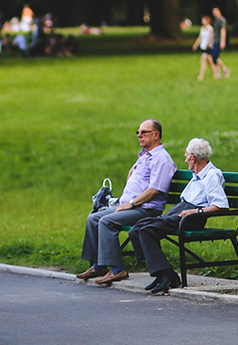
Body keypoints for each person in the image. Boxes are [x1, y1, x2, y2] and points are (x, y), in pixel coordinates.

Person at [76, 119, 177, 285]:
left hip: (146, 209)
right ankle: (99, 265)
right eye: (138, 132)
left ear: (156, 135)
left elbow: (155, 190)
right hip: (132, 206)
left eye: (144, 132)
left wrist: (131, 203)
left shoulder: (161, 159)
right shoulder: (145, 156)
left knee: (107, 221)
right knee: (93, 217)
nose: (139, 135)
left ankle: (117, 269)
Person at [129, 138, 228, 294]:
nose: (185, 159)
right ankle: (161, 273)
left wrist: (196, 212)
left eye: (186, 156)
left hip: (192, 217)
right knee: (137, 228)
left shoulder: (212, 175)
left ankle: (167, 275)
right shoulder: (197, 174)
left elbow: (221, 205)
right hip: (181, 211)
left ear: (192, 158)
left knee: (147, 230)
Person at [192, 15, 218, 80]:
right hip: (203, 46)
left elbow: (211, 37)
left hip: (208, 47)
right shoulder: (202, 28)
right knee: (210, 62)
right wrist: (196, 44)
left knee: (203, 61)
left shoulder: (210, 28)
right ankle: (215, 75)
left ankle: (201, 76)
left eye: (204, 20)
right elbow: (200, 37)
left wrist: (209, 44)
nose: (202, 21)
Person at [212, 8, 231, 78]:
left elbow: (223, 31)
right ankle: (218, 73)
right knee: (216, 57)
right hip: (215, 40)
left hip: (219, 41)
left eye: (216, 12)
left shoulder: (222, 20)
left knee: (214, 57)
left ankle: (225, 69)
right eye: (213, 12)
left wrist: (223, 41)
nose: (214, 13)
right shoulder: (216, 21)